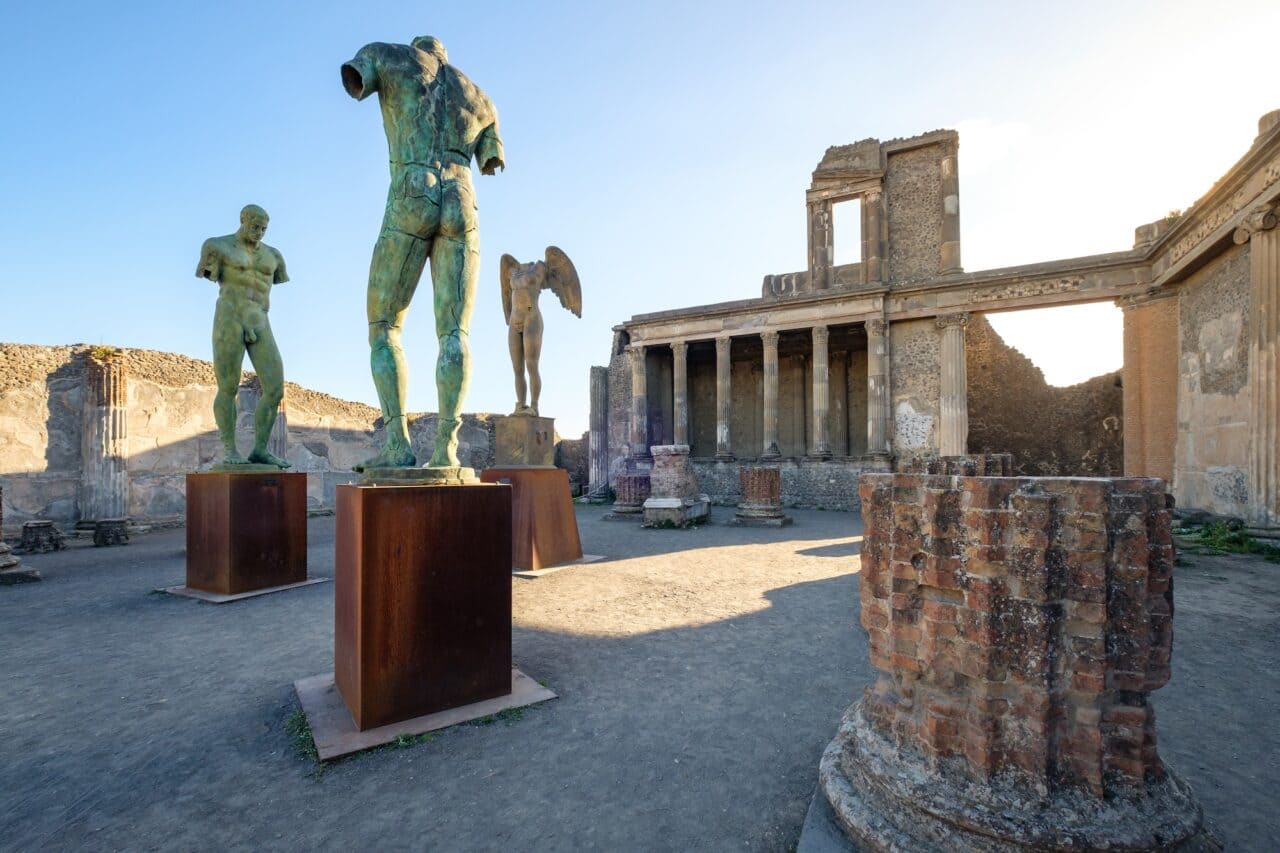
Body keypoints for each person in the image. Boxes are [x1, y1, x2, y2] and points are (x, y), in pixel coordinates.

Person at [341, 35, 504, 471]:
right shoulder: (481, 98)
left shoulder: (388, 55)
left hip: (413, 190)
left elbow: (356, 81)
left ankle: (397, 443)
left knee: (384, 326)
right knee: (455, 334)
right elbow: (490, 160)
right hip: (462, 198)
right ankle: (446, 449)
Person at [195, 204, 291, 468]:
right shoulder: (217, 246)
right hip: (229, 317)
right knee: (227, 386)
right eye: (255, 226)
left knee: (274, 388)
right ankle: (229, 450)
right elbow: (208, 274)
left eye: (264, 228)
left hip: (260, 320)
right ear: (243, 220)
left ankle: (260, 450)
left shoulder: (274, 256)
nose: (259, 232)